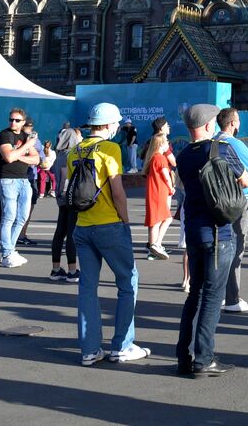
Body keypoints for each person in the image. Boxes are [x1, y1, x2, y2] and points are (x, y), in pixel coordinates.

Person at [68, 101, 148, 366]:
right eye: (116, 123)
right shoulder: (110, 148)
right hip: (109, 225)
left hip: (82, 225)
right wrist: (125, 223)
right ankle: (123, 346)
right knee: (128, 281)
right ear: (109, 124)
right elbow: (117, 192)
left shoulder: (75, 150)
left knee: (87, 287)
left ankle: (90, 350)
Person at [175, 102, 248, 378]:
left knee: (195, 294)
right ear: (209, 126)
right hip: (219, 231)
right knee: (212, 297)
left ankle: (184, 355)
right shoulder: (220, 149)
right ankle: (203, 359)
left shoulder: (182, 156)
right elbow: (245, 180)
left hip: (193, 229)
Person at [218, 107, 248, 313]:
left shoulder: (212, 143)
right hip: (238, 199)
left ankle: (218, 295)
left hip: (218, 200)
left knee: (221, 248)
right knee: (237, 248)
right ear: (233, 124)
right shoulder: (235, 144)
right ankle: (233, 298)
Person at [0, 109, 39, 268]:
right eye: (11, 119)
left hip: (24, 180)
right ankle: (6, 253)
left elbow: (36, 159)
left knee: (22, 217)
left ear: (23, 122)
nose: (13, 122)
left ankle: (11, 250)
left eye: (17, 120)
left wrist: (18, 155)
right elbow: (8, 157)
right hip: (8, 180)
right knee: (9, 217)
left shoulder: (24, 136)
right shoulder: (5, 135)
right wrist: (26, 146)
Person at [144, 118, 177, 261]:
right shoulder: (161, 156)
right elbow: (172, 163)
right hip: (161, 189)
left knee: (156, 220)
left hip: (156, 188)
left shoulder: (153, 155)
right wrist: (171, 186)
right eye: (167, 125)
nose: (169, 126)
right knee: (164, 217)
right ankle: (156, 245)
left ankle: (154, 246)